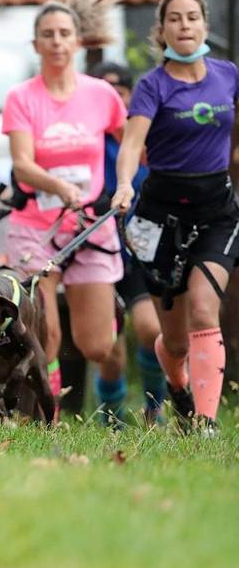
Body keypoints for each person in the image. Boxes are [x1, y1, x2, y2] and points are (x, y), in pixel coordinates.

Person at [113, 0, 236, 434]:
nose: (185, 26)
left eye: (192, 17)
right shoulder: (152, 85)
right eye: (175, 19)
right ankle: (178, 388)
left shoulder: (227, 76)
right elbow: (130, 145)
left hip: (216, 211)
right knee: (176, 341)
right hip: (159, 218)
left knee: (205, 309)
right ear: (162, 30)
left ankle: (205, 421)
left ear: (204, 24)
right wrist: (125, 184)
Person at [2, 0, 127, 422]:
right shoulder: (21, 97)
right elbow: (22, 163)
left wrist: (125, 183)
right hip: (36, 227)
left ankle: (115, 315)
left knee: (96, 346)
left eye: (64, 34)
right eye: (48, 34)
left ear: (77, 41)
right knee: (47, 335)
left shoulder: (101, 94)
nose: (57, 42)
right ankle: (48, 420)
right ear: (36, 43)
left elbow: (133, 141)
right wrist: (58, 186)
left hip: (89, 226)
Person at [89, 61, 166, 424]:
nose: (111, 95)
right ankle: (111, 419)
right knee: (109, 349)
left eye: (119, 88)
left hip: (136, 251)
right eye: (103, 88)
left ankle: (156, 408)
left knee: (152, 330)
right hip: (94, 253)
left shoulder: (142, 142)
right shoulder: (86, 139)